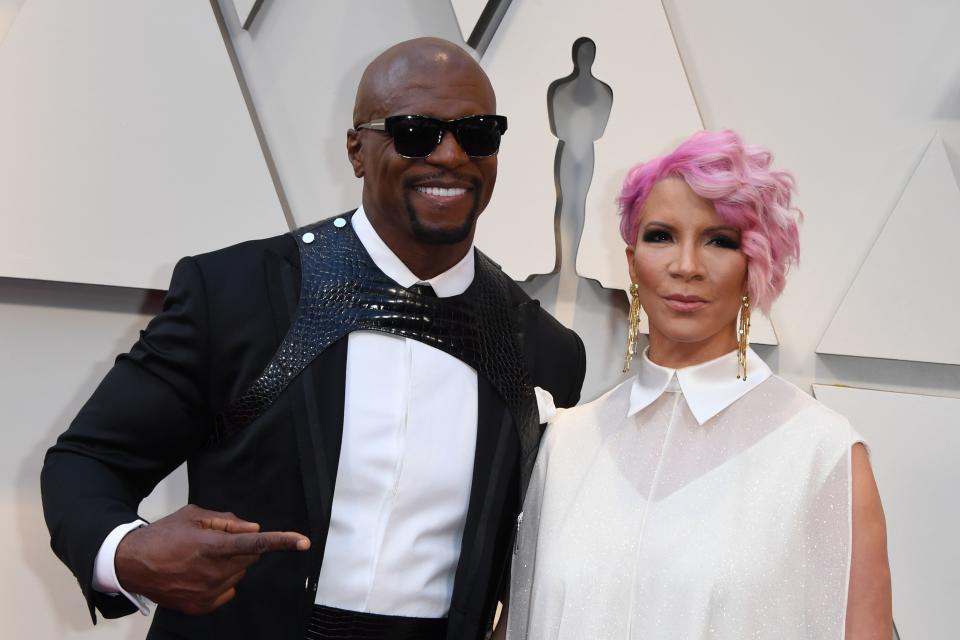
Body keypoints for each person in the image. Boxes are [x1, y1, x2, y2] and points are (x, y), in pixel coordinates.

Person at [41, 37, 586, 640]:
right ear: (357, 149)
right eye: (415, 132)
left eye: (478, 134)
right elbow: (87, 462)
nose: (452, 155)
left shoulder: (545, 353)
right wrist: (128, 554)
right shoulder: (237, 295)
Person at [504, 130, 891, 639]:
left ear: (755, 264)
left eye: (719, 241)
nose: (686, 266)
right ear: (631, 263)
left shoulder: (822, 454)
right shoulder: (567, 444)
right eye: (661, 236)